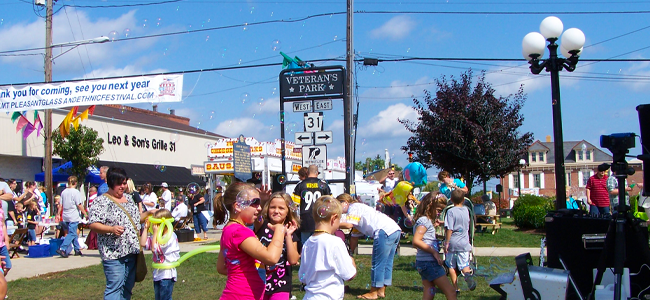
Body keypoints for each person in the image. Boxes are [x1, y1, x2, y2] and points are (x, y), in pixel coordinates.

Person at [213, 182, 289, 300]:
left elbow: (222, 267)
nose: (259, 208)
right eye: (255, 203)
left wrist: (256, 270)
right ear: (237, 206)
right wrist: (279, 230)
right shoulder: (241, 232)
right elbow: (272, 258)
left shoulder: (228, 229)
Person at [89, 167, 148, 300]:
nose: (122, 186)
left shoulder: (129, 198)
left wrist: (149, 214)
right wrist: (111, 229)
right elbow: (93, 224)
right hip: (113, 254)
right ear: (110, 183)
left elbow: (136, 219)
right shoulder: (101, 201)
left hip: (132, 252)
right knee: (115, 287)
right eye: (119, 183)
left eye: (124, 183)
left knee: (127, 287)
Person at [337, 193, 401, 300]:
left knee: (378, 263)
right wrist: (349, 255)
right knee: (386, 263)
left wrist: (331, 224)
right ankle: (381, 291)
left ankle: (373, 293)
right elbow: (354, 237)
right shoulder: (359, 211)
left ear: (345, 202)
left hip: (383, 231)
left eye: (339, 204)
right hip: (394, 229)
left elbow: (349, 225)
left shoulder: (354, 207)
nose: (338, 208)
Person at [299, 196, 356, 300]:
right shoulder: (335, 242)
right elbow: (349, 275)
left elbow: (302, 277)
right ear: (334, 218)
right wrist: (351, 261)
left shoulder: (307, 243)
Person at [254, 192, 300, 300]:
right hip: (259, 281)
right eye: (272, 207)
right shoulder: (262, 225)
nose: (276, 211)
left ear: (288, 211)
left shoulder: (291, 232)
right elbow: (257, 216)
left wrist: (288, 235)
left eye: (281, 208)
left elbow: (293, 260)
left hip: (282, 284)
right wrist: (263, 200)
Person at [412, 193, 456, 300]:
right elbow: (416, 241)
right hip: (429, 262)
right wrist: (434, 252)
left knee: (429, 288)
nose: (439, 213)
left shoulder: (423, 221)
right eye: (438, 210)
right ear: (430, 205)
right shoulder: (424, 221)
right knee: (451, 291)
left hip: (422, 262)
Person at [140, 209, 180, 300]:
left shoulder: (170, 236)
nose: (154, 226)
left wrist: (155, 233)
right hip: (158, 273)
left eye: (155, 224)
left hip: (167, 274)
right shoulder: (158, 236)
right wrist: (146, 228)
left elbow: (155, 249)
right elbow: (143, 243)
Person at [444, 189, 476, 294]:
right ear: (463, 200)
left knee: (451, 266)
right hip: (464, 242)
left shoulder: (450, 211)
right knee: (464, 265)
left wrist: (447, 242)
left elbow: (450, 228)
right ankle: (467, 276)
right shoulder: (466, 210)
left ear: (451, 199)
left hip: (453, 242)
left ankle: (456, 288)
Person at [292, 165, 332, 244]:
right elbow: (330, 203)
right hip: (320, 218)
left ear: (307, 172)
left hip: (305, 219)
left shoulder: (300, 185)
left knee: (305, 244)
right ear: (317, 173)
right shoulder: (324, 185)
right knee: (320, 244)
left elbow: (294, 205)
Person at [56, 176, 87, 258]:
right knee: (72, 233)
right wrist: (85, 213)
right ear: (75, 183)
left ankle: (77, 249)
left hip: (65, 215)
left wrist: (58, 214)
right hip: (73, 215)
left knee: (73, 233)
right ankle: (63, 248)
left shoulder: (63, 192)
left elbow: (61, 205)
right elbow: (79, 204)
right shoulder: (76, 192)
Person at [0, 208, 12, 276]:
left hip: (2, 244)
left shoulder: (1, 209)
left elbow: (3, 224)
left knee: (7, 265)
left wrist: (6, 240)